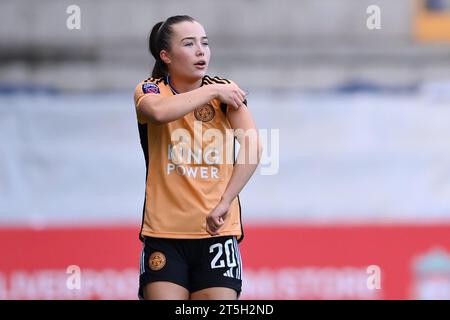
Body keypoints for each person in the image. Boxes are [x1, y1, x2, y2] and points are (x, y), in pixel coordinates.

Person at [133, 15, 262, 300]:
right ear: (165, 55)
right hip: (165, 234)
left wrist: (226, 201)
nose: (201, 50)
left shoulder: (227, 93)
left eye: (204, 43)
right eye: (189, 44)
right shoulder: (151, 89)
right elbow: (158, 112)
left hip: (216, 234)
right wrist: (213, 90)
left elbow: (253, 147)